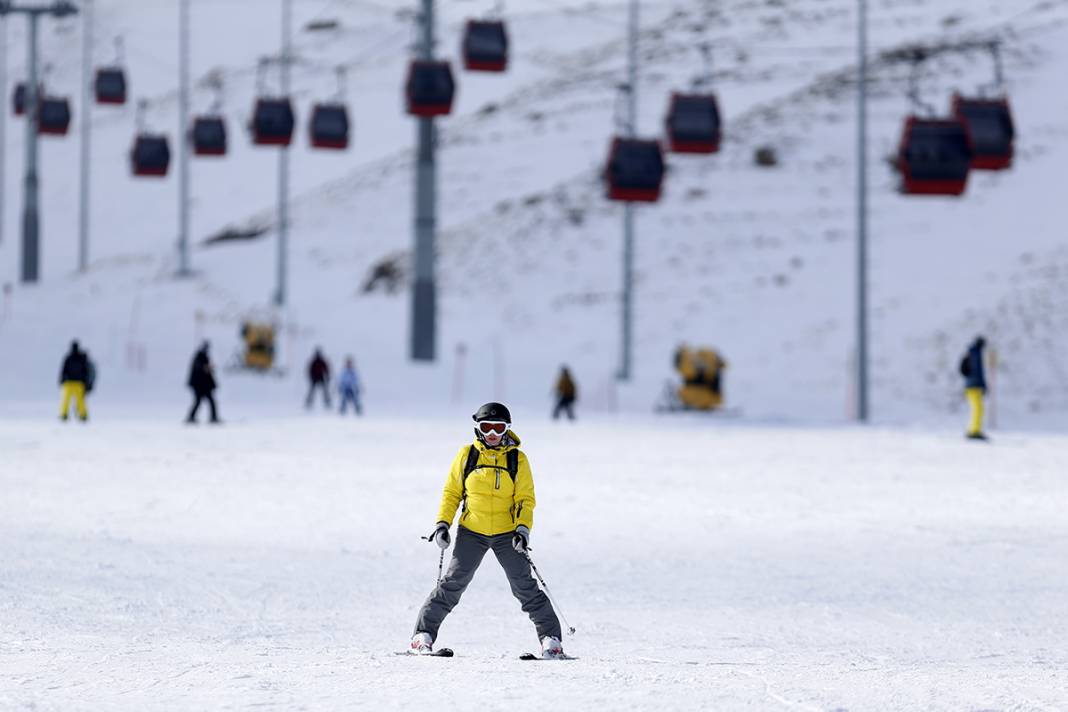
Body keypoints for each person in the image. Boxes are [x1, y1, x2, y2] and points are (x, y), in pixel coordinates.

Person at [410, 402, 565, 659]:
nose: (492, 433)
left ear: (507, 429)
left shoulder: (517, 459)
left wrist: (522, 530)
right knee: (452, 584)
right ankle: (422, 636)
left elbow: (525, 499)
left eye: (498, 428)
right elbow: (452, 493)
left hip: (507, 535)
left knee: (525, 587)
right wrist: (443, 525)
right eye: (486, 427)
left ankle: (551, 640)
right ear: (478, 428)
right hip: (472, 532)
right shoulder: (467, 455)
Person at [960, 336, 988, 441]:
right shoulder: (976, 354)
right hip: (974, 386)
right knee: (978, 409)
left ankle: (974, 429)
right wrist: (983, 385)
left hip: (970, 385)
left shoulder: (970, 352)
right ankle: (974, 431)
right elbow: (978, 372)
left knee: (977, 409)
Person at [186, 341, 220, 424]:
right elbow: (200, 369)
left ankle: (212, 417)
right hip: (200, 385)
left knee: (205, 401)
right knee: (201, 401)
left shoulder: (203, 357)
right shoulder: (199, 357)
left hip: (203, 385)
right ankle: (192, 417)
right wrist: (207, 367)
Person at [58, 341, 89, 422]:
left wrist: (61, 379)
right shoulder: (79, 358)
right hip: (76, 382)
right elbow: (85, 371)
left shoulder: (69, 357)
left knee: (71, 400)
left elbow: (64, 369)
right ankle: (81, 414)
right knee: (75, 400)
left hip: (72, 382)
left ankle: (68, 414)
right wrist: (85, 381)